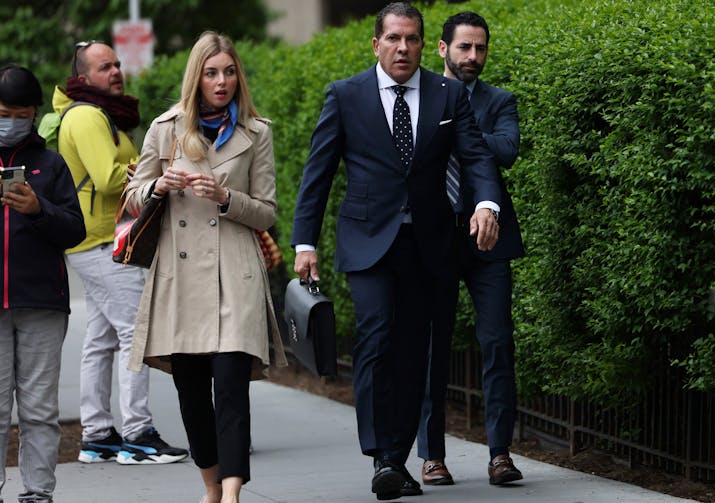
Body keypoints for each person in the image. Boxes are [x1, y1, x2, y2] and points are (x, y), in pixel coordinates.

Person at [291, 3, 503, 500]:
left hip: (428, 244)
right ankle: (380, 454)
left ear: (423, 44)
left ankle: (395, 457)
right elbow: (317, 175)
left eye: (411, 39)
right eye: (393, 39)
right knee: (376, 336)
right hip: (367, 241)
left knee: (414, 354)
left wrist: (487, 204)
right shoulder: (346, 95)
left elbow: (475, 155)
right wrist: (305, 242)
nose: (402, 48)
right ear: (376, 44)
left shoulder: (447, 93)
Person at [124, 31, 286, 503]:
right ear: (196, 77)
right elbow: (131, 200)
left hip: (236, 274)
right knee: (193, 397)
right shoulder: (166, 128)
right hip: (181, 280)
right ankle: (212, 487)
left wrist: (226, 197)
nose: (222, 81)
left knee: (232, 390)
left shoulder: (258, 132)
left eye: (229, 71)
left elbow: (268, 211)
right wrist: (158, 187)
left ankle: (232, 494)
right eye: (212, 73)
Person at [52, 41, 188, 464]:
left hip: (96, 237)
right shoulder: (88, 116)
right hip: (103, 240)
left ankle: (97, 436)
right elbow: (111, 180)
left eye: (116, 64)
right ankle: (137, 434)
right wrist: (153, 172)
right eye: (104, 67)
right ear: (83, 77)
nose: (116, 72)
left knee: (101, 338)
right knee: (134, 332)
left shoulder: (100, 114)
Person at [416, 11, 526, 487]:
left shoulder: (499, 101)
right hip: (435, 236)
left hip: (489, 237)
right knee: (431, 347)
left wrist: (458, 122)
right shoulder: (415, 99)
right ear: (442, 49)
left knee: (498, 342)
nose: (473, 57)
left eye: (480, 48)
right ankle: (431, 455)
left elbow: (506, 150)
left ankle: (500, 453)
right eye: (464, 48)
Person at [0, 64, 86, 503]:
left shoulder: (50, 164)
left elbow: (75, 229)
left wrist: (38, 209)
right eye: (2, 112)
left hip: (42, 303)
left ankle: (38, 493)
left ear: (33, 113)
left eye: (19, 113)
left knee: (38, 410)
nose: (11, 121)